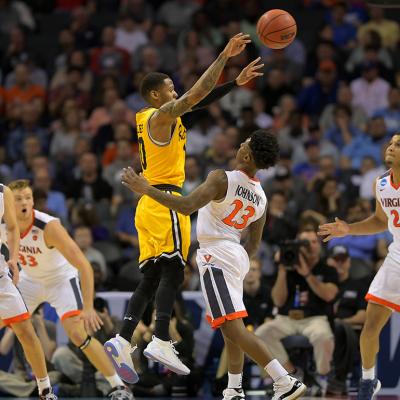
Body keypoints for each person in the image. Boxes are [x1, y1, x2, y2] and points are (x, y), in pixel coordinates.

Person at [104, 32, 264, 381]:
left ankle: (121, 338)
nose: (176, 93)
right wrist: (223, 56)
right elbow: (195, 95)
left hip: (149, 202)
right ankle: (161, 337)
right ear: (155, 95)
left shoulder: (157, 118)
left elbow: (197, 101)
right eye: (171, 88)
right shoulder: (159, 116)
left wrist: (234, 82)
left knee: (152, 276)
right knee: (176, 270)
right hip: (164, 201)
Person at [118, 130, 306, 400]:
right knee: (231, 324)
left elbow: (185, 206)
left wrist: (146, 189)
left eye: (245, 142)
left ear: (247, 154)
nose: (241, 143)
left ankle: (283, 379)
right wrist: (237, 258)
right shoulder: (262, 197)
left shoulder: (221, 178)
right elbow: (253, 244)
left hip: (215, 254)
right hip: (237, 256)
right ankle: (234, 388)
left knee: (231, 326)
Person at [1, 179, 133, 400]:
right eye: (18, 199)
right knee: (13, 326)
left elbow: (84, 265)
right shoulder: (5, 226)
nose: (25, 202)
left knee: (76, 332)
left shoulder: (48, 226)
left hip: (60, 280)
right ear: (7, 204)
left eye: (28, 197)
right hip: (29, 281)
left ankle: (117, 385)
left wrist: (89, 306)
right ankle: (44, 388)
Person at [318, 133, 400, 400]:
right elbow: (380, 220)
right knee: (371, 323)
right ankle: (368, 382)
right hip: (396, 257)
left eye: (399, 144)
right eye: (391, 142)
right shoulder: (382, 183)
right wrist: (349, 229)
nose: (391, 147)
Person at [255, 228, 338, 396]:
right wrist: (283, 269)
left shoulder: (327, 268)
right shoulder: (288, 266)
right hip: (286, 318)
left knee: (323, 336)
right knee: (261, 333)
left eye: (313, 242)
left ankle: (322, 377)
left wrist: (307, 274)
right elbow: (278, 300)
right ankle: (291, 374)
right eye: (304, 243)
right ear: (298, 246)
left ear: (319, 245)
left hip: (314, 319)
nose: (309, 246)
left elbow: (329, 295)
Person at [0, 183, 57, 400]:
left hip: (1, 277)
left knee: (25, 330)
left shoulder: (2, 192)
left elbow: (13, 228)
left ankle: (45, 390)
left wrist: (13, 258)